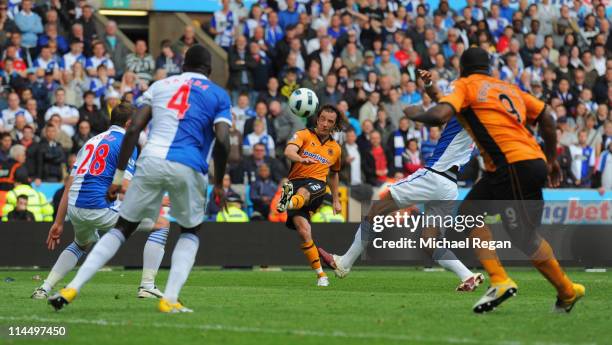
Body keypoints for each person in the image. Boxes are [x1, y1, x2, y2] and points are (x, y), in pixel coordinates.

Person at [48, 45, 232, 314]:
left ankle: (72, 286)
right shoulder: (218, 94)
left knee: (122, 228)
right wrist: (218, 183)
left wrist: (119, 176)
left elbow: (133, 128)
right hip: (189, 164)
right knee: (189, 231)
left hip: (151, 161)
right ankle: (168, 297)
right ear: (210, 69)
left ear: (182, 66)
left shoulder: (160, 85)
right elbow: (224, 141)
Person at [402, 47, 583, 313]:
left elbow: (440, 114)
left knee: (520, 236)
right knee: (473, 217)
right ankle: (565, 291)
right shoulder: (507, 88)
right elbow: (546, 116)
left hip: (509, 165)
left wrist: (415, 113)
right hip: (527, 163)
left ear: (463, 69)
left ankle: (506, 281)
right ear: (488, 68)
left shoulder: (466, 85)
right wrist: (552, 159)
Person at [319, 68, 484, 292]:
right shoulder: (476, 116)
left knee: (376, 209)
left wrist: (414, 113)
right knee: (429, 242)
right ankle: (468, 276)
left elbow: (438, 113)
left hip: (434, 176)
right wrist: (428, 85)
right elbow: (440, 100)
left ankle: (344, 263)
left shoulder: (463, 110)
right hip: (449, 186)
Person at [33, 103, 171, 300]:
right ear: (130, 123)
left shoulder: (91, 142)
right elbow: (124, 185)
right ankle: (147, 285)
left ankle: (44, 288)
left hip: (75, 207)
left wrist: (58, 222)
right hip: (98, 206)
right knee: (161, 225)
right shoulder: (126, 143)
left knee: (81, 243)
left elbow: (69, 184)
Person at [276, 105, 345, 287]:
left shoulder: (335, 148)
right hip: (295, 180)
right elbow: (288, 151)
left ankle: (288, 201)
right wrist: (300, 158)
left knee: (304, 193)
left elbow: (333, 174)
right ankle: (321, 275)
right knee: (304, 232)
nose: (324, 123)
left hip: (317, 185)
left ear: (335, 125)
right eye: (322, 119)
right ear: (317, 118)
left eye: (330, 121)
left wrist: (336, 200)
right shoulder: (303, 134)